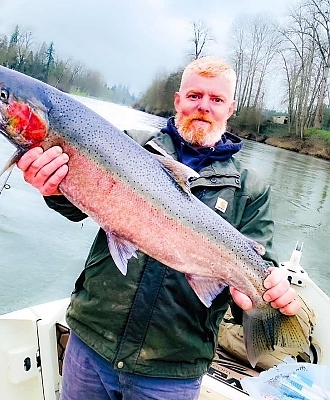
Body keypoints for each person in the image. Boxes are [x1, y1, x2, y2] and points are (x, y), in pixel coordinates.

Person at [17, 56, 301, 400]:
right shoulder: (131, 145)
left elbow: (260, 265)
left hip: (172, 370)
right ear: (178, 100)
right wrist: (53, 188)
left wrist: (262, 293)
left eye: (216, 99)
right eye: (195, 95)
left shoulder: (250, 189)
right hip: (92, 341)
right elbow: (77, 205)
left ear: (231, 109)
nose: (204, 107)